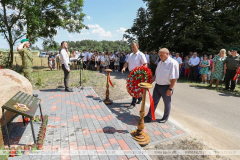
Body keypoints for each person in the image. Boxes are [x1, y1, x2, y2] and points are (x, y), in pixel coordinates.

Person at [144, 48, 179, 123]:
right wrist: (151, 81)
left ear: (167, 54)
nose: (160, 57)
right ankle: (149, 116)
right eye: (159, 55)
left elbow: (174, 78)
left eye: (161, 55)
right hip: (158, 86)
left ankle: (165, 117)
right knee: (153, 102)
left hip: (167, 87)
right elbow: (157, 74)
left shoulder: (173, 63)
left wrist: (170, 89)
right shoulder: (160, 62)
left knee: (167, 103)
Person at [122, 42, 147, 108]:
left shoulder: (141, 55)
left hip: (138, 74)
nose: (132, 48)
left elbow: (145, 64)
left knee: (134, 88)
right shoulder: (130, 55)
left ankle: (133, 103)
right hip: (131, 74)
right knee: (133, 87)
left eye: (134, 47)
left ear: (137, 46)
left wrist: (142, 73)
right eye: (132, 47)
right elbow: (126, 63)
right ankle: (140, 97)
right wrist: (124, 68)